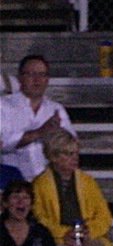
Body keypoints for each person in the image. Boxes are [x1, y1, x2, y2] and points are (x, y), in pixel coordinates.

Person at [0, 55, 76, 183]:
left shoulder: (56, 109)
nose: (37, 80)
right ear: (20, 78)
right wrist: (39, 133)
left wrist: (57, 139)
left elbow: (72, 145)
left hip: (49, 182)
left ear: (47, 79)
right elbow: (3, 143)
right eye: (31, 74)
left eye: (42, 74)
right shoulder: (3, 105)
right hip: (11, 183)